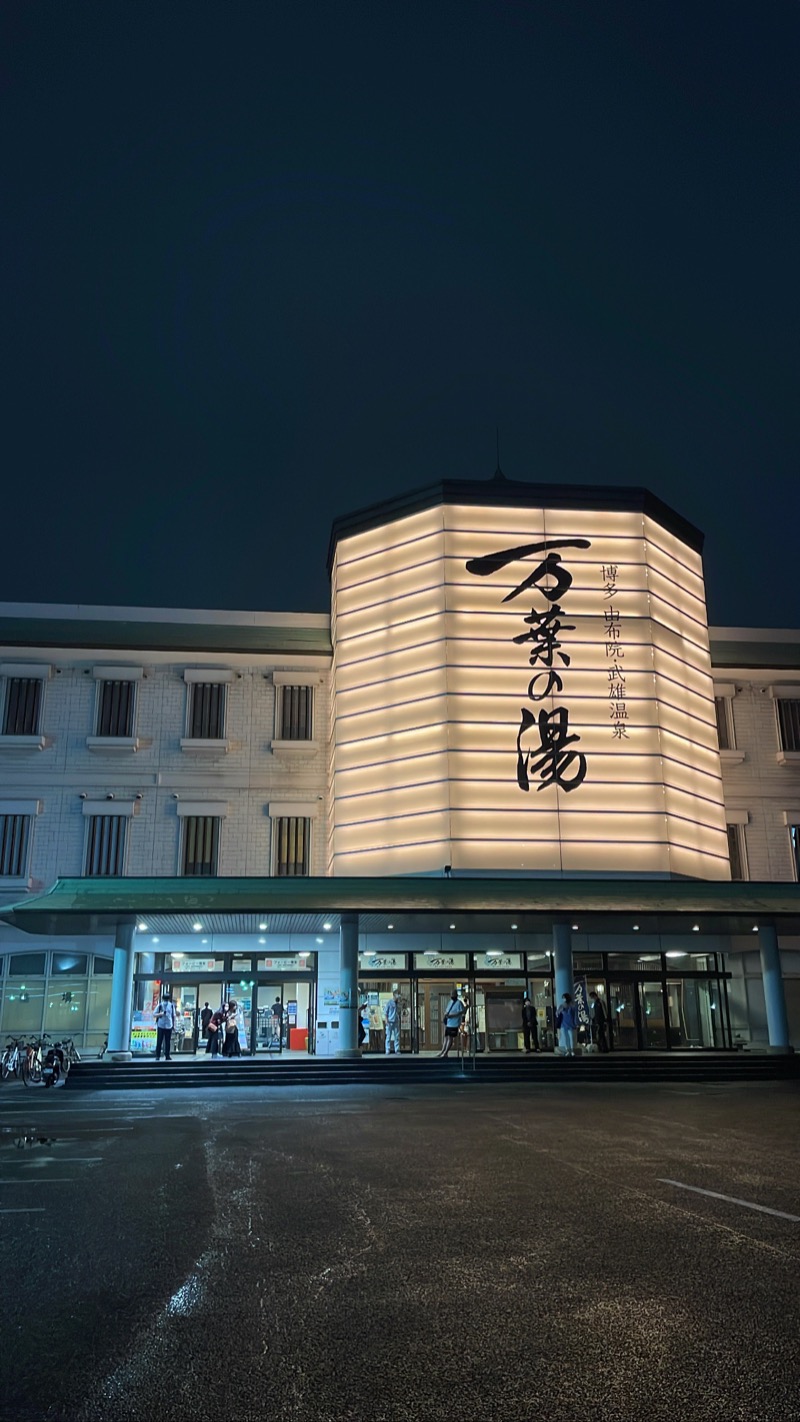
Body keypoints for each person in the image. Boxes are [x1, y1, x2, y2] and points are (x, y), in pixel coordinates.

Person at [437, 989, 465, 1058]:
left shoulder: (459, 1003)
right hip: (448, 1023)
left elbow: (461, 1012)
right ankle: (442, 1051)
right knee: (446, 1037)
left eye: (453, 994)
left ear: (456, 995)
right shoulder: (450, 1002)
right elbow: (447, 1011)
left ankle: (446, 1052)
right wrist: (446, 1014)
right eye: (451, 994)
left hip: (454, 1024)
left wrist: (453, 1015)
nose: (452, 995)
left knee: (450, 1038)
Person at [557, 992, 578, 1057]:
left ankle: (572, 1050)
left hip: (571, 1023)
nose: (563, 999)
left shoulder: (572, 1005)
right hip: (564, 1024)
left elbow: (575, 1014)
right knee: (566, 1038)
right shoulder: (562, 1005)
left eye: (564, 998)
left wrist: (576, 1023)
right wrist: (560, 1011)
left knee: (571, 1038)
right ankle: (567, 1050)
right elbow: (557, 1013)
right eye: (563, 998)